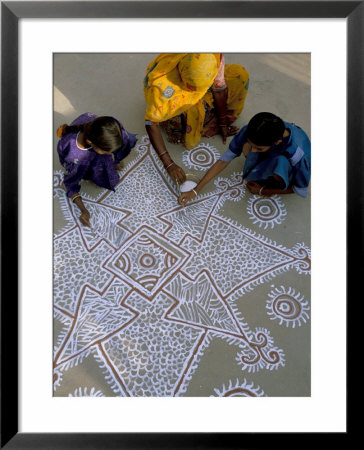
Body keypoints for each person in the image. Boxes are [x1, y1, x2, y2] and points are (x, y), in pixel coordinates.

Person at [144, 53, 249, 184]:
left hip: (203, 78)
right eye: (195, 87)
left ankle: (204, 110)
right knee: (187, 117)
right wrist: (169, 164)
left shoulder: (212, 56)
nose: (199, 91)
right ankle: (196, 116)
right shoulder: (162, 89)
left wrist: (222, 122)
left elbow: (218, 88)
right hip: (176, 94)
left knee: (240, 75)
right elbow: (151, 123)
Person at [178, 112, 311, 205]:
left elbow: (299, 189)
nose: (253, 151)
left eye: (259, 148)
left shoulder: (298, 154)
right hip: (270, 152)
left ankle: (274, 177)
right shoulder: (251, 131)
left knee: (280, 162)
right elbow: (224, 160)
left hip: (286, 166)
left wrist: (262, 190)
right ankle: (260, 161)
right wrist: (196, 190)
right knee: (247, 146)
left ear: (277, 142)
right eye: (253, 146)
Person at [56, 112, 137, 227]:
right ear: (90, 142)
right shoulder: (76, 156)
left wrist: (111, 154)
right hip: (80, 161)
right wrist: (84, 210)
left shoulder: (108, 124)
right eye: (106, 151)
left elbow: (121, 139)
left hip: (92, 148)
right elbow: (70, 183)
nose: (109, 154)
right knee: (102, 170)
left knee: (111, 153)